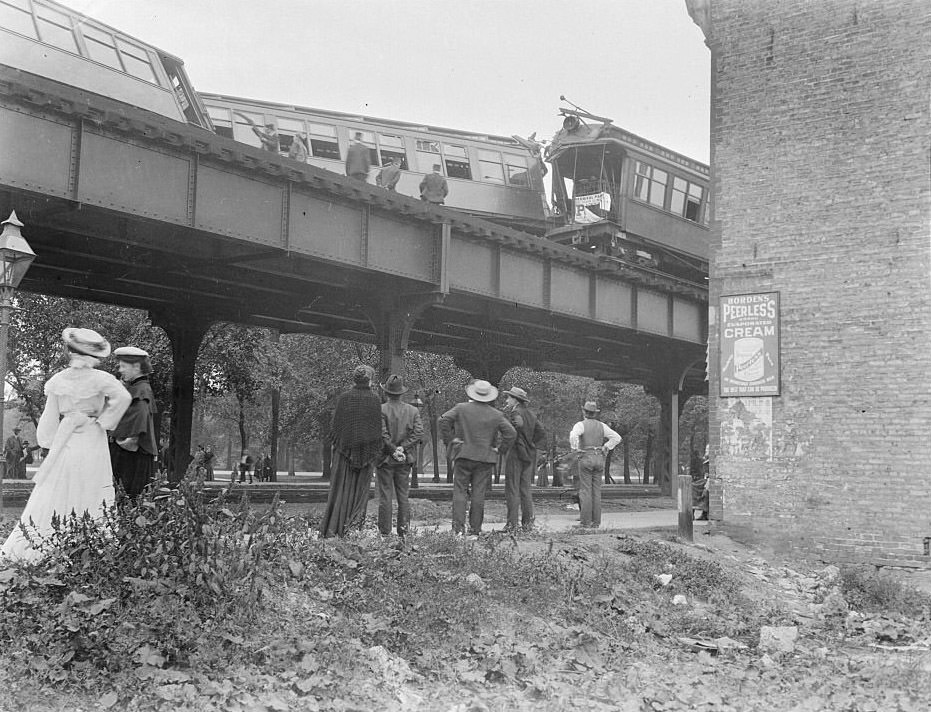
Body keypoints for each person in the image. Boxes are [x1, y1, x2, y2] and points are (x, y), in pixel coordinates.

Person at [2, 328, 131, 562]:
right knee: (91, 481)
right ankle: (91, 543)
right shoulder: (102, 379)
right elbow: (123, 398)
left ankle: (51, 540)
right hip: (91, 434)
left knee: (60, 483)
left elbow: (49, 416)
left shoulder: (59, 380)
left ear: (71, 352)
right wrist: (103, 422)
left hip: (68, 436)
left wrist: (50, 442)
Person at [439, 380, 516, 538]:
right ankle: (475, 530)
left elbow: (443, 420)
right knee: (478, 494)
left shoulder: (461, 408)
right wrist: (500, 450)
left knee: (459, 491)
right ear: (489, 396)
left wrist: (451, 440)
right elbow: (511, 433)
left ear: (472, 393)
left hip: (463, 455)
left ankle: (458, 530)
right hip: (485, 459)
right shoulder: (496, 414)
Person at [319, 365, 383, 537]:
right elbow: (377, 432)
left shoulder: (344, 398)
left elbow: (336, 429)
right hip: (366, 456)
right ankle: (353, 531)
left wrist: (344, 446)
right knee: (359, 494)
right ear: (370, 379)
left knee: (340, 491)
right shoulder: (375, 400)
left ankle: (333, 529)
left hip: (343, 455)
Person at [377, 374, 424, 537]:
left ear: (386, 392)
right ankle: (403, 531)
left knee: (385, 496)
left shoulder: (381, 410)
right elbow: (418, 433)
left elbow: (382, 434)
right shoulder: (413, 411)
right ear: (401, 392)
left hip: (385, 459)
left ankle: (384, 532)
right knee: (403, 495)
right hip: (405, 460)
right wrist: (402, 449)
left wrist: (393, 450)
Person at [109, 346, 158, 501]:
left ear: (136, 366)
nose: (120, 370)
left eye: (123, 366)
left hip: (132, 457)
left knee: (128, 501)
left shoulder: (140, 390)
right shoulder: (138, 388)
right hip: (133, 455)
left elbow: (140, 418)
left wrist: (128, 440)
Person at [501, 386, 547, 533]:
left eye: (508, 397)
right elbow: (541, 432)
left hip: (516, 454)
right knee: (525, 490)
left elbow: (518, 425)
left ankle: (512, 525)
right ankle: (527, 524)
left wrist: (516, 441)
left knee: (512, 489)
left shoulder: (516, 412)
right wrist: (532, 444)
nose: (507, 400)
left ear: (515, 399)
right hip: (529, 456)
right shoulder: (532, 414)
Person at [568, 401, 621, 529]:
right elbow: (617, 437)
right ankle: (596, 522)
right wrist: (606, 447)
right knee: (596, 491)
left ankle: (585, 522)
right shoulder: (602, 426)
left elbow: (573, 435)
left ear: (584, 412)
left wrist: (575, 448)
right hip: (599, 459)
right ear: (595, 413)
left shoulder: (581, 425)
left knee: (585, 490)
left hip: (586, 457)